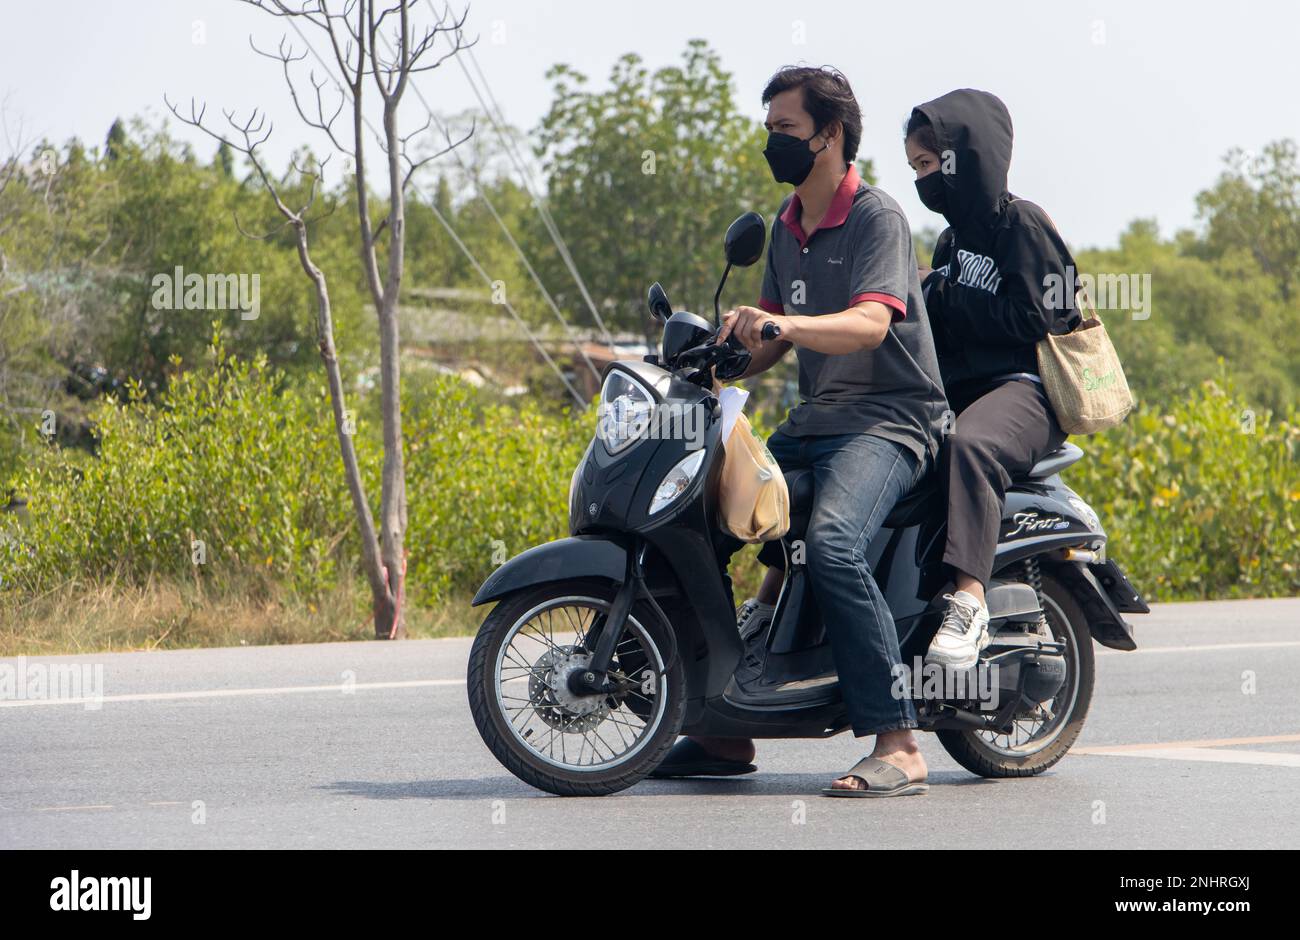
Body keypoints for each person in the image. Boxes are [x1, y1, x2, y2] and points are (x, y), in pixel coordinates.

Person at [651, 66, 949, 797]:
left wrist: (784, 322)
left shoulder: (876, 217)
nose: (771, 143)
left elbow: (870, 324)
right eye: (769, 130)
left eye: (783, 129)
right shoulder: (786, 226)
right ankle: (721, 726)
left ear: (829, 134)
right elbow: (772, 344)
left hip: (893, 420)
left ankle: (900, 743)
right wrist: (720, 355)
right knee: (691, 521)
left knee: (836, 545)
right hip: (817, 422)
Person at [905, 89, 1079, 667]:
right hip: (965, 390)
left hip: (1024, 390)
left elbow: (1046, 312)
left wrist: (950, 300)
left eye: (928, 165)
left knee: (969, 445)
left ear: (966, 158)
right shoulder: (951, 241)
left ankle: (969, 600)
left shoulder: (1021, 225)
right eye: (915, 170)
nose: (922, 181)